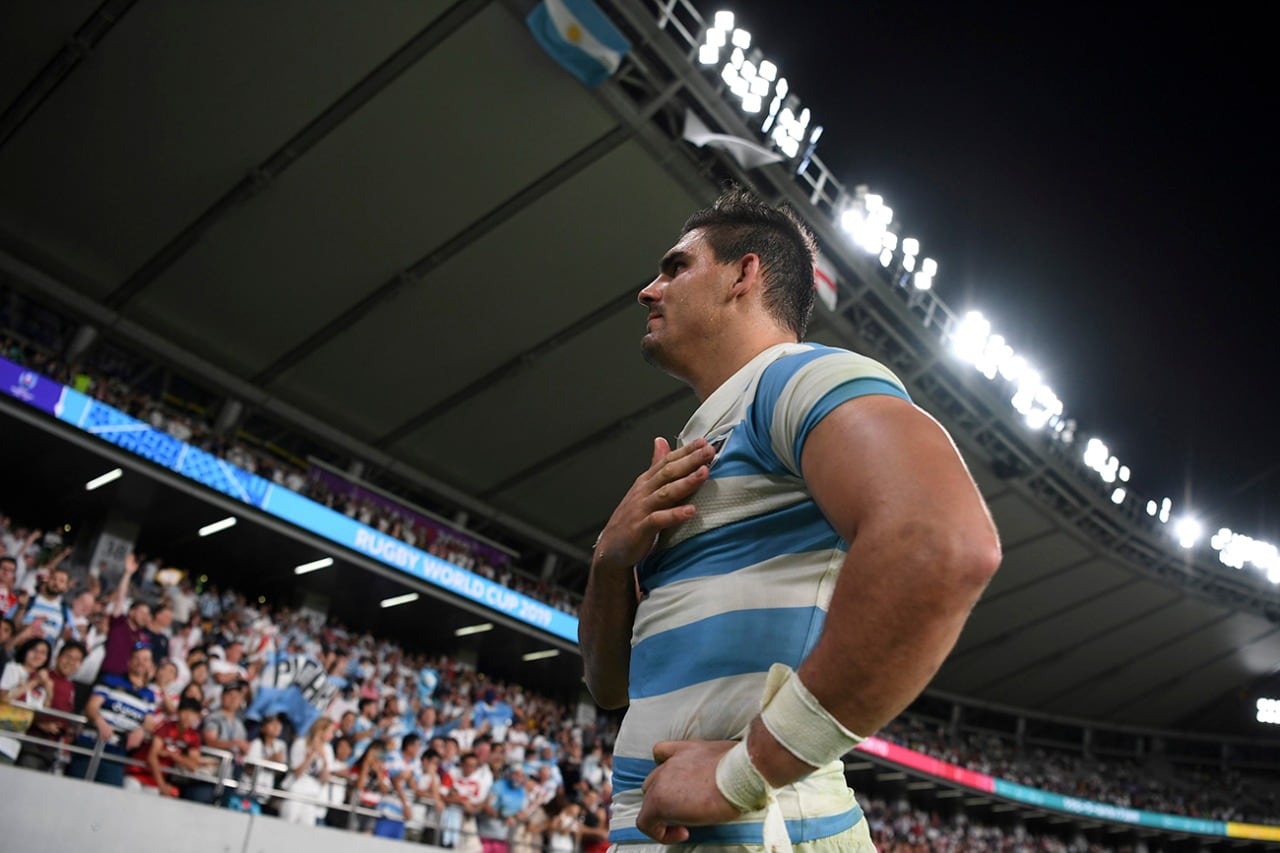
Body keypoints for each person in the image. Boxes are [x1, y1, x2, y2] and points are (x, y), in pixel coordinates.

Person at [578, 188, 1001, 850]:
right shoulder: (703, 444)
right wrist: (611, 559)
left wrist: (743, 772)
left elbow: (943, 544)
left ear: (744, 275)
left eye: (675, 266)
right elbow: (608, 686)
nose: (648, 290)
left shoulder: (793, 380)